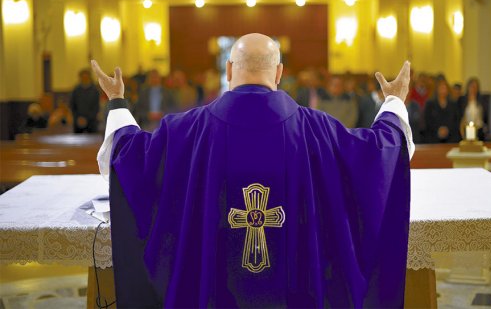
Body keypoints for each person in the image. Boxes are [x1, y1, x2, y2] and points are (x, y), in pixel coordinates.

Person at [93, 33, 414, 308]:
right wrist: (394, 103)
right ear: (279, 73)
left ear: (230, 70)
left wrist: (118, 103)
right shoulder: (319, 130)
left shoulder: (187, 130)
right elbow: (376, 155)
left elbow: (132, 158)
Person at [423, 78, 461, 143]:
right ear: (437, 90)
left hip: (451, 138)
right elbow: (428, 121)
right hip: (433, 138)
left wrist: (447, 130)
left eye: (445, 88)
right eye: (441, 88)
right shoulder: (430, 104)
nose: (443, 91)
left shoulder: (453, 104)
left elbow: (456, 121)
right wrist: (438, 130)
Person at [70, 69, 100, 133]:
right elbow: (72, 106)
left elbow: (96, 107)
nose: (85, 79)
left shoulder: (95, 91)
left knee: (92, 141)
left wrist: (87, 119)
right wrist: (78, 118)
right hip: (78, 121)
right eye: (83, 77)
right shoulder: (76, 90)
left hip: (92, 122)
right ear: (80, 78)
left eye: (86, 77)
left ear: (89, 78)